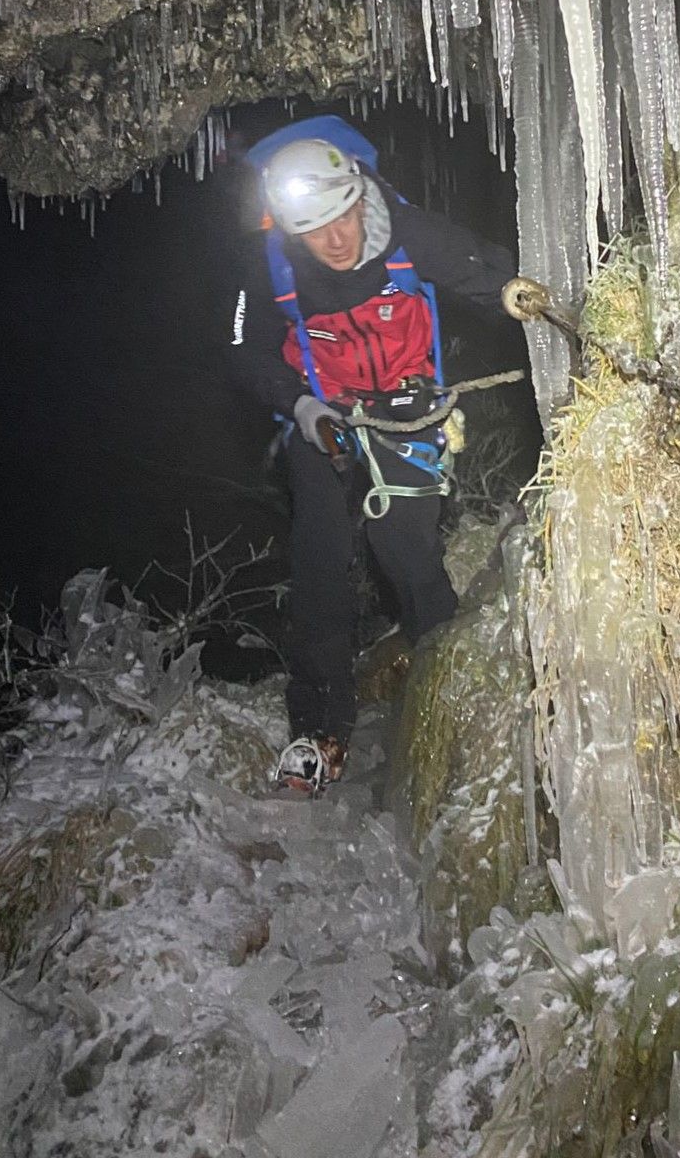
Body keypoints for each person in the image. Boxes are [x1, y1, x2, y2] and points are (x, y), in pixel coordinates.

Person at [226, 116, 546, 795]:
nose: (338, 240)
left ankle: (453, 695)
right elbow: (242, 348)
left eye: (344, 215)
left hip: (408, 412)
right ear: (288, 230)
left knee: (409, 556)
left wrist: (514, 293)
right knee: (320, 563)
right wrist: (303, 408)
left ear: (359, 194)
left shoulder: (404, 232)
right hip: (324, 419)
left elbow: (478, 268)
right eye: (316, 229)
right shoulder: (269, 268)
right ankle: (320, 730)